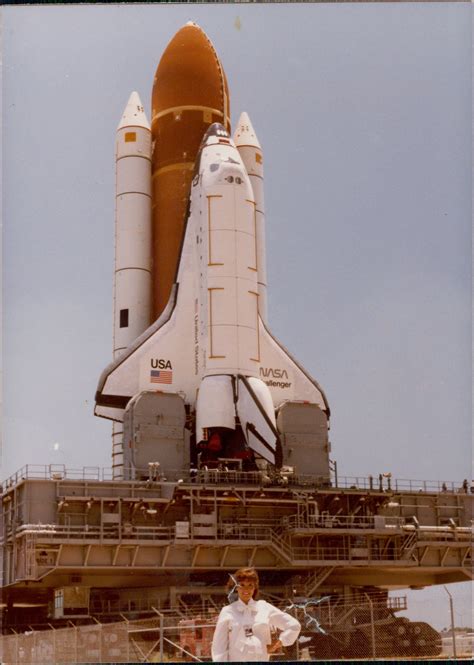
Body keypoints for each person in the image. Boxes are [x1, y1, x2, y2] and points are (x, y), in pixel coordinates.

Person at [211, 567, 301, 662]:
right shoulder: (228, 611)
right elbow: (219, 646)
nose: (246, 589)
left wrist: (279, 642)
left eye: (250, 585)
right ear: (236, 587)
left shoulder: (265, 608)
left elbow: (294, 625)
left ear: (255, 587)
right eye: (242, 585)